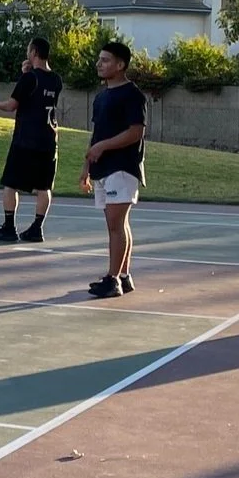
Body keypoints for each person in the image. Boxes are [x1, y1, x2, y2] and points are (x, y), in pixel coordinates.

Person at [0, 35, 65, 244]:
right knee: (44, 187)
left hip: (26, 139)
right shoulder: (56, 80)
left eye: (29, 50)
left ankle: (9, 227)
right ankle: (37, 228)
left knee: (11, 184)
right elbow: (39, 98)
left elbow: (11, 105)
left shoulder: (30, 78)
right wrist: (27, 74)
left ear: (34, 52)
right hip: (49, 139)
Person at [81, 39, 148, 298]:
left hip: (122, 167)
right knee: (118, 224)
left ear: (120, 65)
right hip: (103, 168)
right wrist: (87, 165)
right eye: (99, 59)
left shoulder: (133, 95)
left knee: (115, 225)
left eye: (105, 60)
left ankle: (112, 280)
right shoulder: (101, 97)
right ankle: (123, 275)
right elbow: (97, 134)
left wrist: (104, 146)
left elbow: (135, 132)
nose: (99, 64)